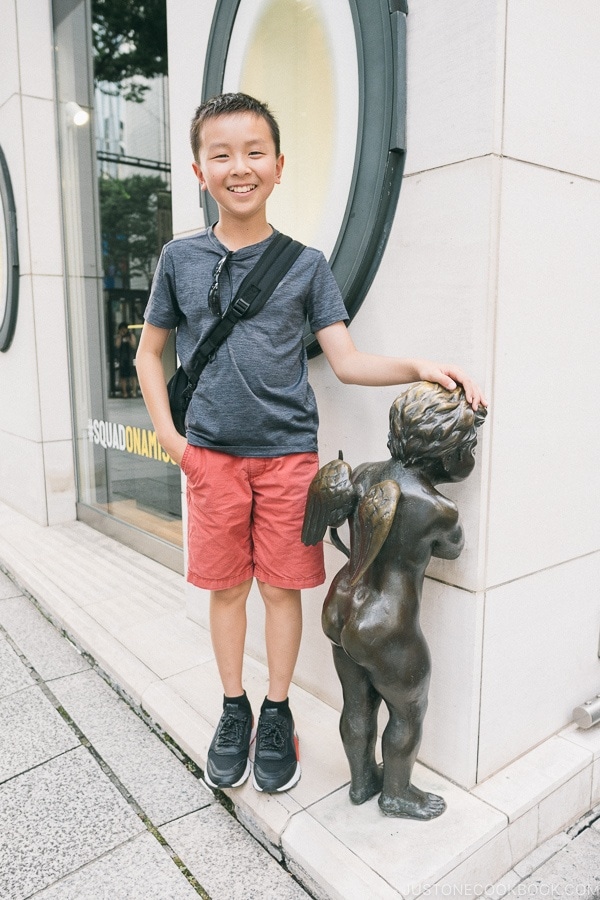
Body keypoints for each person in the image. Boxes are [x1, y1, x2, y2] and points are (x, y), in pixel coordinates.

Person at [135, 92, 486, 795]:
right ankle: (233, 709)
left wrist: (417, 366)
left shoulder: (305, 264)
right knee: (228, 589)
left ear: (279, 165)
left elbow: (347, 360)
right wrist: (176, 444)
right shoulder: (179, 257)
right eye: (222, 154)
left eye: (254, 152)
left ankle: (276, 712)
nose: (240, 167)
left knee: (282, 589)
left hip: (290, 459)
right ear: (199, 170)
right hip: (210, 459)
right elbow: (151, 354)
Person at [303, 382, 487, 818]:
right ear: (445, 452)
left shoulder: (363, 472)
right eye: (468, 445)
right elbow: (452, 548)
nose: (470, 456)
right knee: (409, 710)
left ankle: (362, 780)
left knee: (356, 702)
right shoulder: (438, 508)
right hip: (388, 625)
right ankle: (397, 792)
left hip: (341, 607)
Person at [115, 322, 138, 398]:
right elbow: (117, 345)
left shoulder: (131, 335)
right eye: (121, 329)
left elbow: (134, 345)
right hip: (122, 359)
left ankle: (134, 392)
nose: (123, 330)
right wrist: (120, 336)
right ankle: (124, 392)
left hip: (130, 358)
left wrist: (128, 339)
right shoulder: (119, 337)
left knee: (133, 376)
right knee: (123, 377)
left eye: (124, 329)